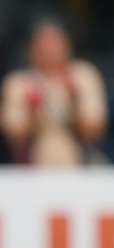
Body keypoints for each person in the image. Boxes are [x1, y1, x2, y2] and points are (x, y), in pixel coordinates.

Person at [0, 18, 108, 165]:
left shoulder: (83, 75)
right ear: (31, 50)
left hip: (80, 164)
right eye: (44, 45)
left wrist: (72, 103)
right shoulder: (19, 82)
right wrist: (36, 111)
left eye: (55, 44)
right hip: (31, 167)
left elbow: (95, 133)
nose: (50, 51)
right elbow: (14, 138)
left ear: (67, 46)